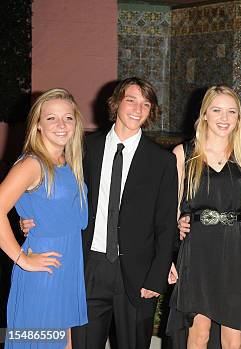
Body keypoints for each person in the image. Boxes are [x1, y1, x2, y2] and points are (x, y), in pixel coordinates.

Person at [21, 77, 178, 348]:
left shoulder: (162, 161)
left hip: (138, 274)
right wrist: (30, 217)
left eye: (145, 103)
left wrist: (157, 275)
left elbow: (166, 224)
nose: (137, 109)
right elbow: (50, 190)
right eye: (131, 100)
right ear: (116, 103)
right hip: (86, 267)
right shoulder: (82, 149)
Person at [166, 85, 241, 349]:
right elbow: (169, 210)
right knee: (199, 332)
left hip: (235, 247)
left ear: (239, 118)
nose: (224, 118)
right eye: (217, 110)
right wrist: (169, 256)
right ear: (204, 114)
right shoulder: (183, 154)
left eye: (231, 112)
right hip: (197, 248)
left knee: (233, 336)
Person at [0, 88, 88, 348]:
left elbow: (51, 209)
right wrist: (22, 259)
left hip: (67, 266)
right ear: (38, 124)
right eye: (51, 118)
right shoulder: (32, 164)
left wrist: (25, 217)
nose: (61, 125)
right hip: (43, 270)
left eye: (68, 118)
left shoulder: (66, 161)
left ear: (76, 122)